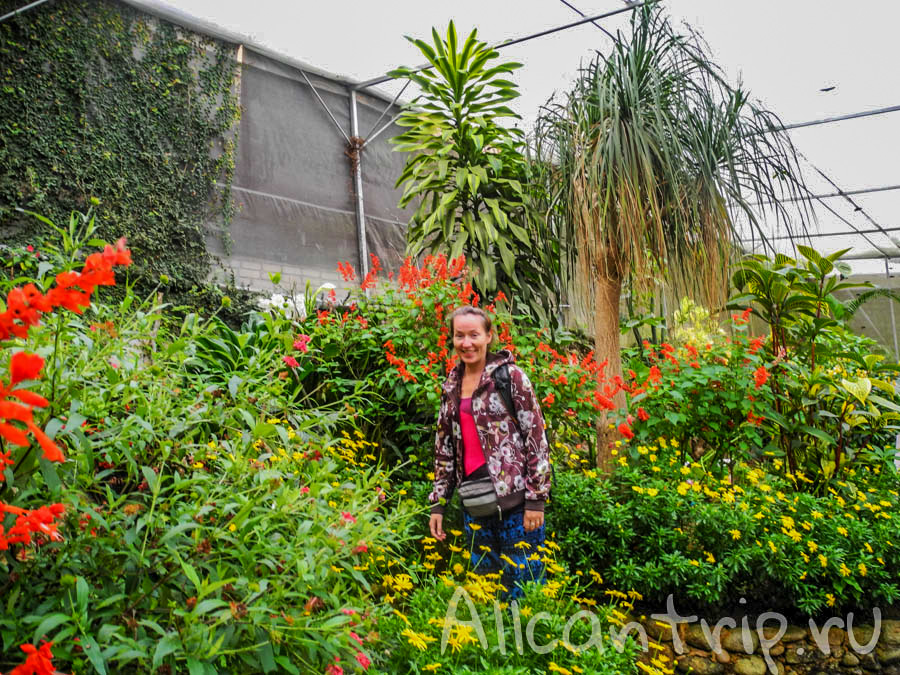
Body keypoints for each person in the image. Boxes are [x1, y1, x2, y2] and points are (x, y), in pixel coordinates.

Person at [428, 305, 551, 600]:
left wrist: (536, 499)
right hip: (475, 505)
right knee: (484, 592)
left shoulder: (511, 378)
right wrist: (438, 504)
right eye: (459, 336)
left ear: (488, 336)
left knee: (525, 590)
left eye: (474, 335)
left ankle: (527, 632)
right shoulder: (451, 385)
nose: (466, 343)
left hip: (518, 506)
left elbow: (536, 438)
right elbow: (444, 449)